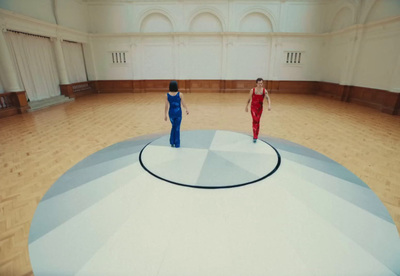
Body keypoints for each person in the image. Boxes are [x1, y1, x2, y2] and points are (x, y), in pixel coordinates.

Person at [245, 78, 271, 143]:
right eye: (259, 83)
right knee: (255, 120)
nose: (260, 84)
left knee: (258, 121)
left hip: (260, 108)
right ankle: (254, 136)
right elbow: (249, 99)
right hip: (253, 108)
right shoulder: (252, 90)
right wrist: (246, 106)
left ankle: (256, 135)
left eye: (261, 83)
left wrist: (269, 105)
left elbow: (268, 98)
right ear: (256, 83)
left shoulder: (264, 91)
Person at [164, 80, 189, 148]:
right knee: (177, 127)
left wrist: (165, 115)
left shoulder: (167, 95)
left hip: (171, 113)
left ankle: (172, 142)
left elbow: (166, 106)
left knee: (174, 126)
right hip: (178, 113)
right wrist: (186, 109)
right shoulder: (180, 94)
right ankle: (177, 144)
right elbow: (183, 103)